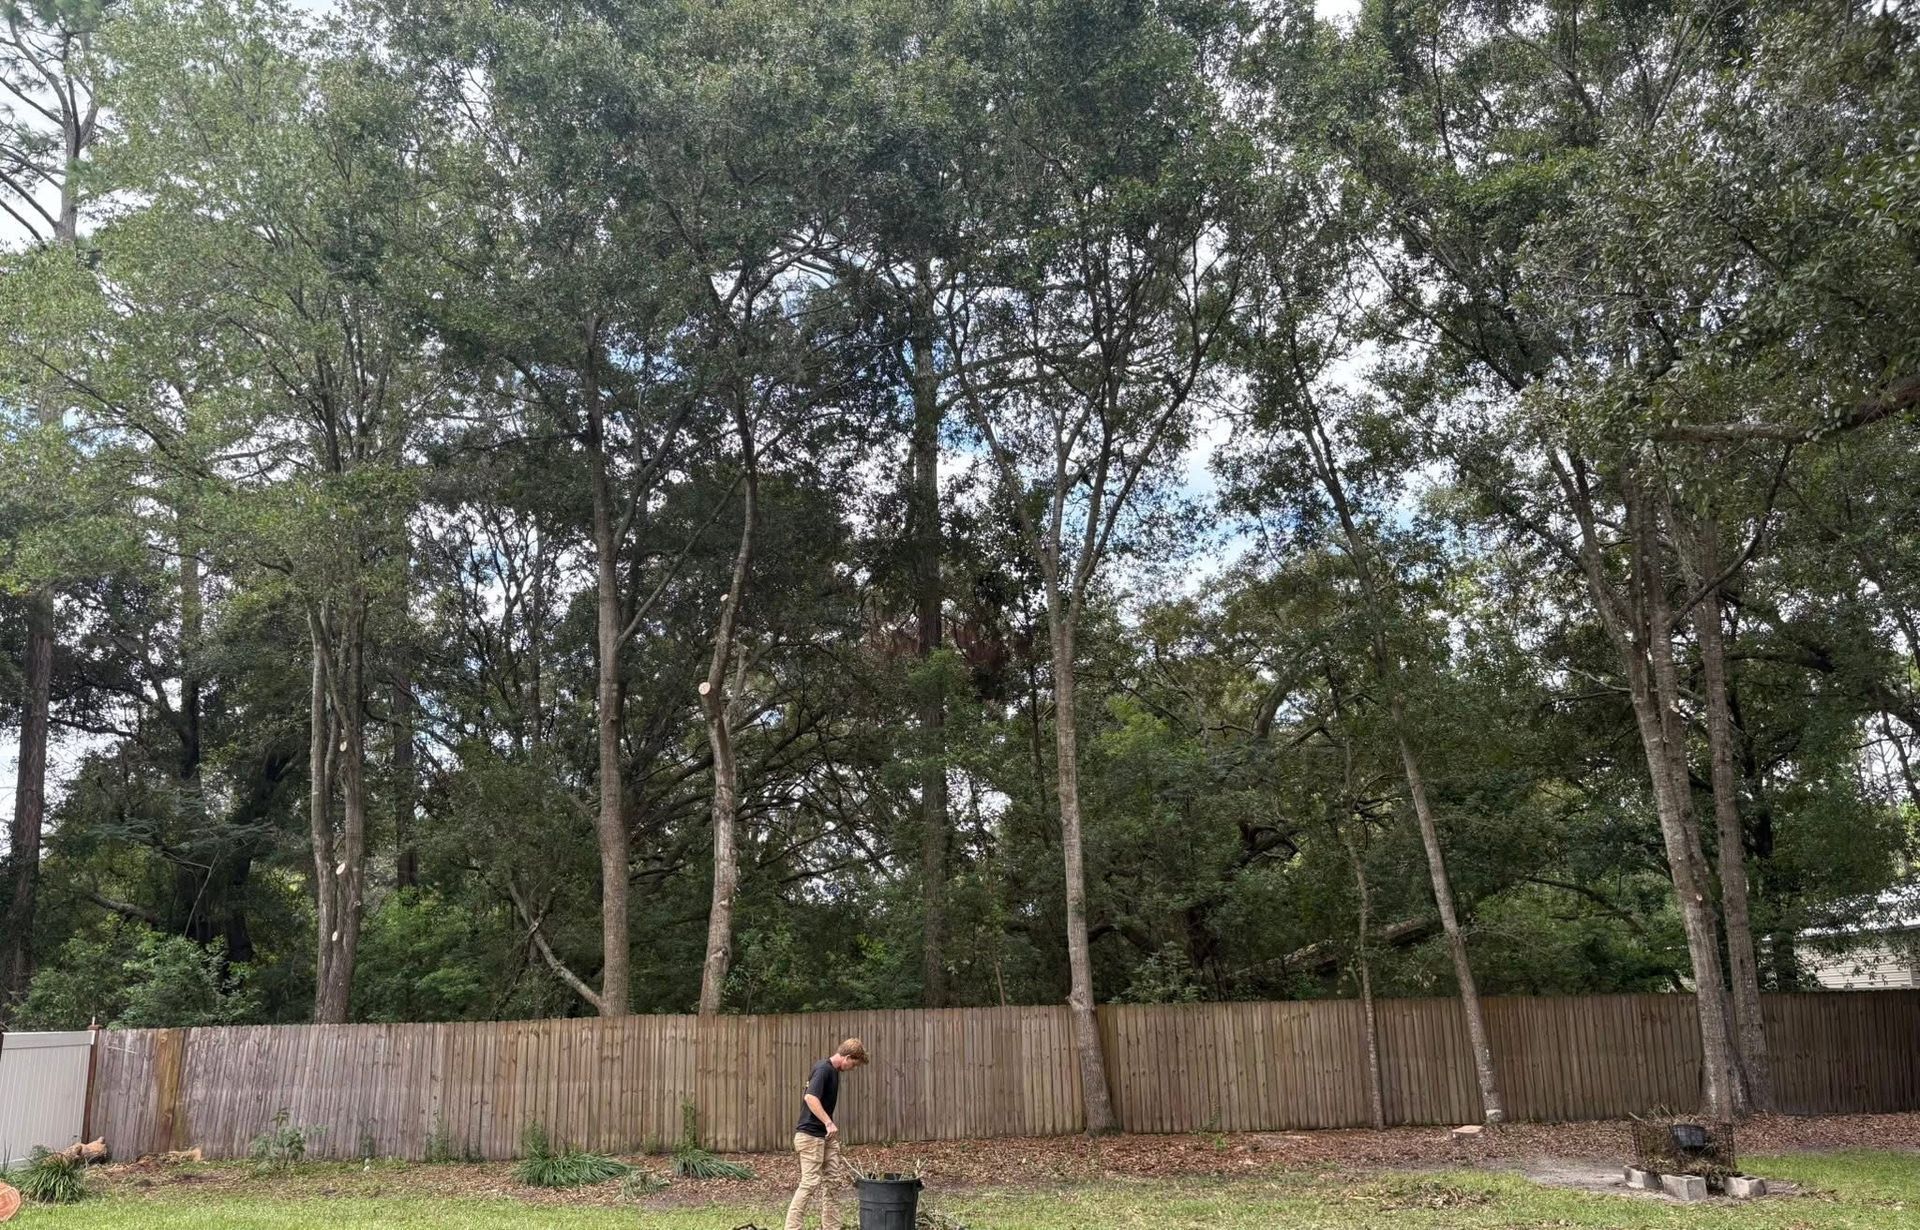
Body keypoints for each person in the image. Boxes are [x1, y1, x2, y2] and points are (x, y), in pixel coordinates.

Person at [785, 1037, 869, 1230]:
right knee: (810, 1183)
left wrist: (828, 1128)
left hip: (825, 1137)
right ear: (847, 1057)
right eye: (854, 1064)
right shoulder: (823, 1069)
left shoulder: (833, 1071)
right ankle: (792, 1227)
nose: (853, 1068)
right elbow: (810, 1097)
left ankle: (832, 1226)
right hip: (810, 1136)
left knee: (833, 1181)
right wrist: (828, 1122)